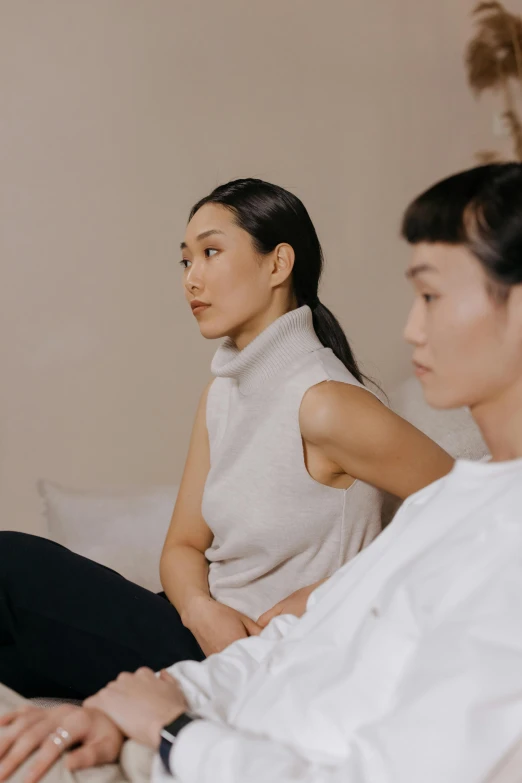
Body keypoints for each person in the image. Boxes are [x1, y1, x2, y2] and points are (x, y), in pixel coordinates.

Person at [1, 162, 522, 783]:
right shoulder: (222, 394)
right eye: (185, 260)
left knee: (10, 568)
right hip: (206, 633)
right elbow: (183, 546)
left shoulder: (326, 401)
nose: (192, 278)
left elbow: (449, 510)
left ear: (279, 265)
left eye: (211, 253)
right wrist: (203, 611)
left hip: (253, 642)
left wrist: (317, 599)